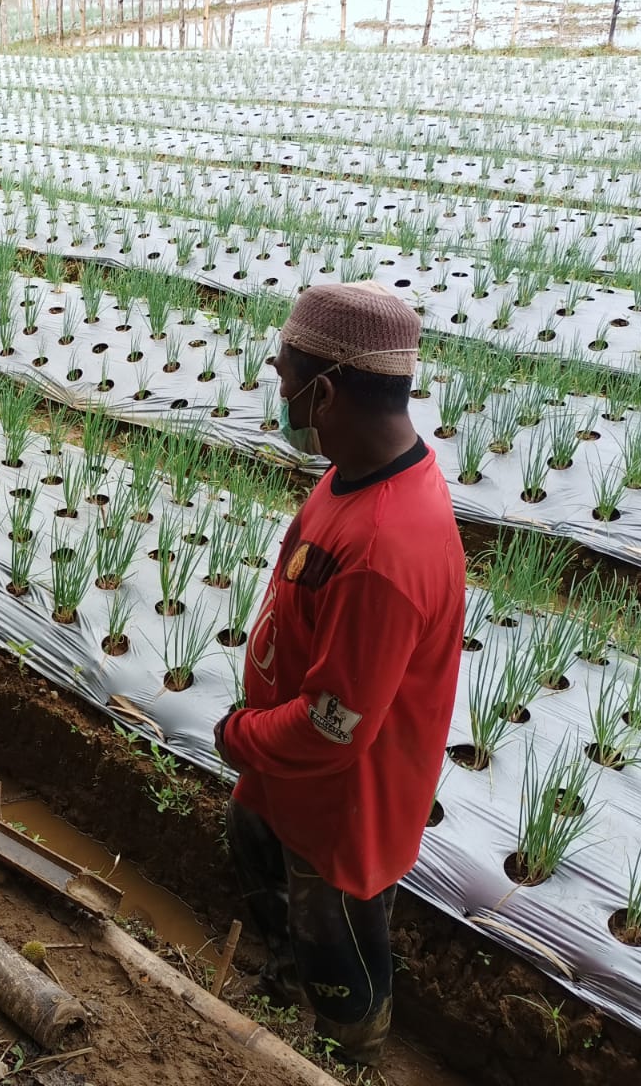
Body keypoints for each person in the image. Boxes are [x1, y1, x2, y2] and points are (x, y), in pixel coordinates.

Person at [213, 281, 465, 1067]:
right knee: (252, 846)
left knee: (338, 946)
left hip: (339, 807)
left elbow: (333, 727)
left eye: (285, 379)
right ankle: (287, 987)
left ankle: (345, 1054)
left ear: (325, 390)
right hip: (287, 779)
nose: (278, 395)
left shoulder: (389, 550)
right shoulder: (350, 472)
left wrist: (240, 734)